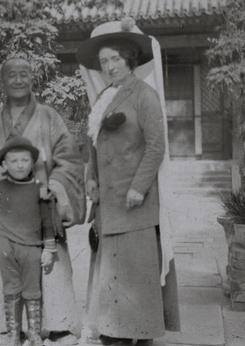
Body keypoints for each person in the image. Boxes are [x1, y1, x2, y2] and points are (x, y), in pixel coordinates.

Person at [0, 57, 86, 345]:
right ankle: (3, 327)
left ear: (33, 79)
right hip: (3, 207)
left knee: (49, 263)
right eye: (11, 75)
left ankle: (58, 325)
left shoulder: (48, 117)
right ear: (2, 82)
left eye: (24, 74)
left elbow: (69, 158)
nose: (18, 80)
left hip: (39, 206)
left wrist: (54, 185)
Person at [75, 18, 181, 346]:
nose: (109, 66)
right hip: (108, 204)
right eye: (104, 61)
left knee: (135, 277)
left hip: (135, 203)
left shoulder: (143, 95)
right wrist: (90, 177)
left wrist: (139, 186)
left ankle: (137, 336)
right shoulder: (104, 97)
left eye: (115, 59)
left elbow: (157, 145)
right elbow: (94, 145)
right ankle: (114, 332)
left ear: (129, 60)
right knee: (112, 277)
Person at [0, 136, 56, 346]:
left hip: (32, 246)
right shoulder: (0, 186)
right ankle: (14, 334)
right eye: (13, 161)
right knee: (11, 287)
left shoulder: (39, 188)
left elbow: (46, 219)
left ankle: (33, 334)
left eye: (24, 160)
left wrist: (48, 248)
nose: (20, 165)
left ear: (32, 162)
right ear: (4, 164)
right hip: (5, 244)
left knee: (33, 289)